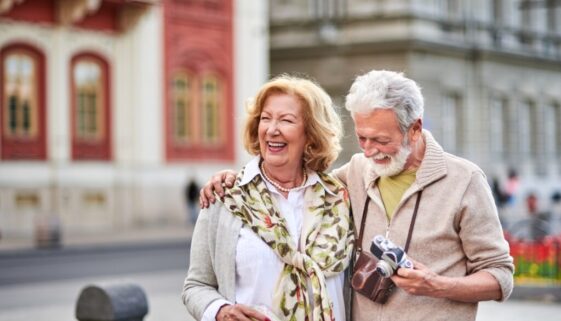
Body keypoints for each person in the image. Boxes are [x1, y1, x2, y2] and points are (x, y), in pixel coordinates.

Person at [200, 70, 514, 321]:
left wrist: (437, 285)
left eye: (381, 140)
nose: (368, 150)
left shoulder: (465, 181)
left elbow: (500, 276)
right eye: (362, 138)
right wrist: (233, 180)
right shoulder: (352, 175)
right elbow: (289, 182)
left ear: (415, 129)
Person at [182, 75, 355, 321]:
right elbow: (196, 285)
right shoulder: (226, 197)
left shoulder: (339, 196)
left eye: (286, 120)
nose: (272, 129)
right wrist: (220, 311)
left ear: (311, 133)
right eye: (265, 118)